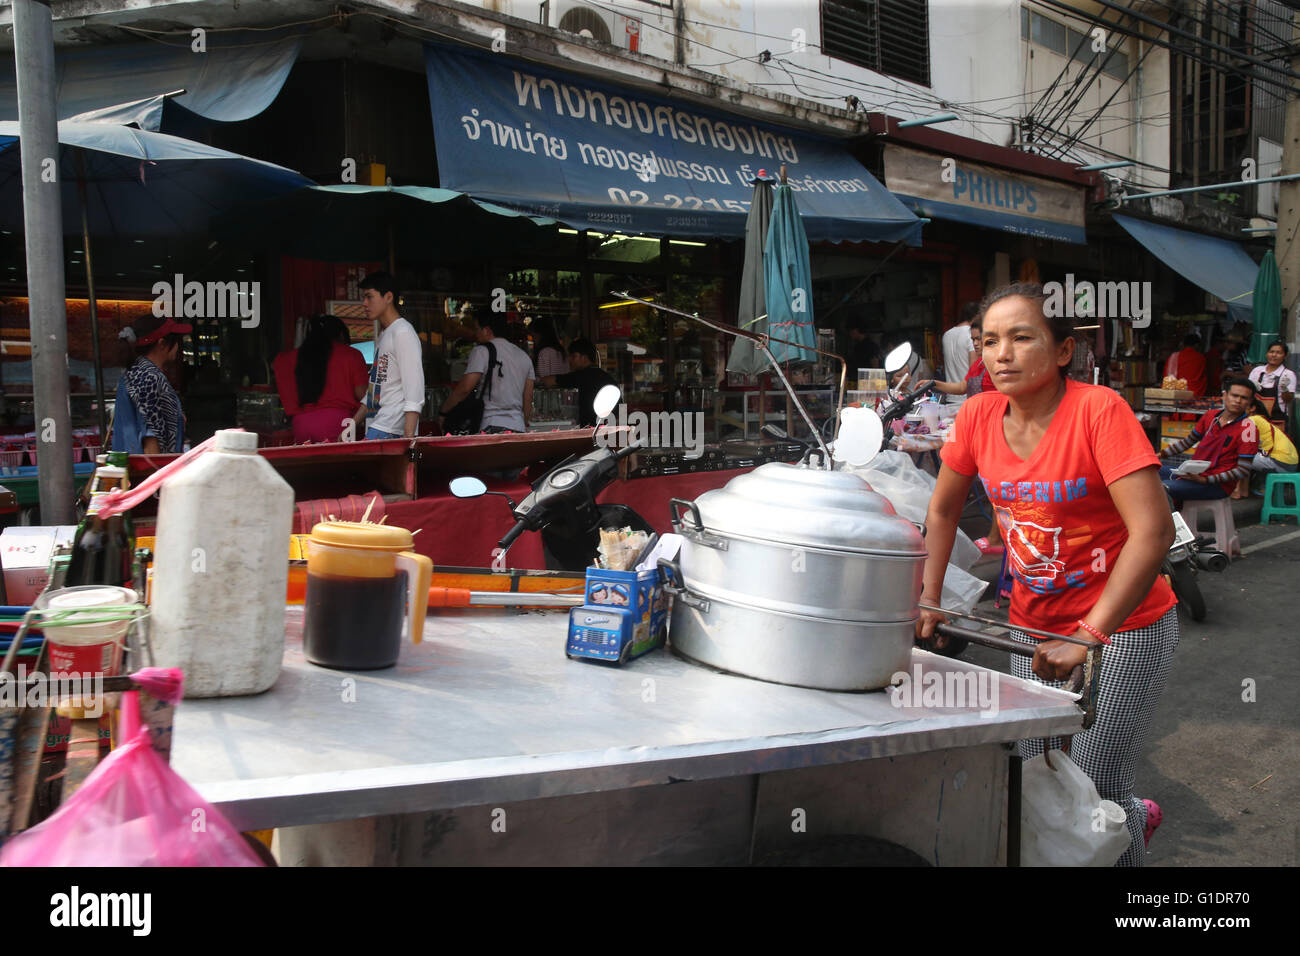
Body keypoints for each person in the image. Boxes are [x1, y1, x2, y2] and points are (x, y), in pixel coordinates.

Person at [918, 282, 1178, 866]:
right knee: (1035, 775)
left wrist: (1090, 635)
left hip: (1124, 626)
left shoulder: (1098, 410)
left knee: (1093, 787)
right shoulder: (979, 414)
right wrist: (929, 597)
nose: (1001, 353)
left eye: (1021, 337)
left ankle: (1129, 835)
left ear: (1062, 351)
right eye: (988, 340)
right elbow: (941, 509)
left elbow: (1153, 533)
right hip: (1029, 626)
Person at [918, 316, 1001, 554]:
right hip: (977, 427)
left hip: (995, 427)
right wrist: (935, 383)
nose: (975, 344)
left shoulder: (998, 363)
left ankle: (996, 538)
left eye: (980, 339)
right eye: (973, 339)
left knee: (995, 484)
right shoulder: (978, 365)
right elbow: (963, 388)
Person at [1157, 377, 1259, 508]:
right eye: (1235, 395)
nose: (1238, 401)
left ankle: (1169, 526)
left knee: (1162, 488)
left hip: (1217, 485)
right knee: (1150, 473)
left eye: (1244, 398)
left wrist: (1206, 479)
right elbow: (1187, 442)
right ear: (1225, 395)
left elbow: (1243, 470)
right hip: (1194, 474)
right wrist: (1159, 456)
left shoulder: (1248, 429)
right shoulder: (1210, 416)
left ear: (1249, 402)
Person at [273, 315, 368, 444]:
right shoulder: (351, 355)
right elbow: (363, 395)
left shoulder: (287, 359)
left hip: (301, 426)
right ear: (341, 335)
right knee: (342, 464)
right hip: (338, 425)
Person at [439, 311, 534, 433]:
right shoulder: (524, 356)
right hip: (517, 426)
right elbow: (528, 397)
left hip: (491, 424)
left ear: (486, 330)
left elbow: (465, 389)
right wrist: (524, 422)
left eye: (477, 329)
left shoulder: (482, 351)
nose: (475, 333)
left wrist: (444, 412)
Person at [355, 272, 424, 440]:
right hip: (379, 424)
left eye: (369, 297)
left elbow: (414, 388)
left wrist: (409, 441)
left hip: (392, 429)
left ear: (388, 297)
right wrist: (353, 421)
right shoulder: (385, 335)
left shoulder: (403, 332)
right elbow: (375, 388)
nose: (364, 303)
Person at [111, 314, 192, 455]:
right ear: (162, 343)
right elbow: (150, 440)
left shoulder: (135, 373)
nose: (178, 346)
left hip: (131, 468)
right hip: (147, 471)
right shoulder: (149, 378)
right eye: (176, 341)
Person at [540, 338, 618, 427]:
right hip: (608, 432)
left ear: (584, 358)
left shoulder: (580, 376)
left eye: (573, 356)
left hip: (588, 431)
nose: (569, 360)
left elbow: (548, 381)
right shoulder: (609, 378)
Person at [1247, 340, 1296, 427]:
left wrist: (1285, 389)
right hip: (1256, 419)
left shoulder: (1288, 374)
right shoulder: (1257, 371)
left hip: (1277, 421)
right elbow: (1247, 393)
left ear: (1284, 356)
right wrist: (1252, 387)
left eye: (1278, 352)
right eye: (1271, 352)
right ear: (1266, 354)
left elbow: (1288, 400)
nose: (1274, 355)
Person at [940, 302, 978, 406]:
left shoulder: (947, 335)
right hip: (968, 397)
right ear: (976, 316)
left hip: (950, 397)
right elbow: (974, 370)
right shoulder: (971, 334)